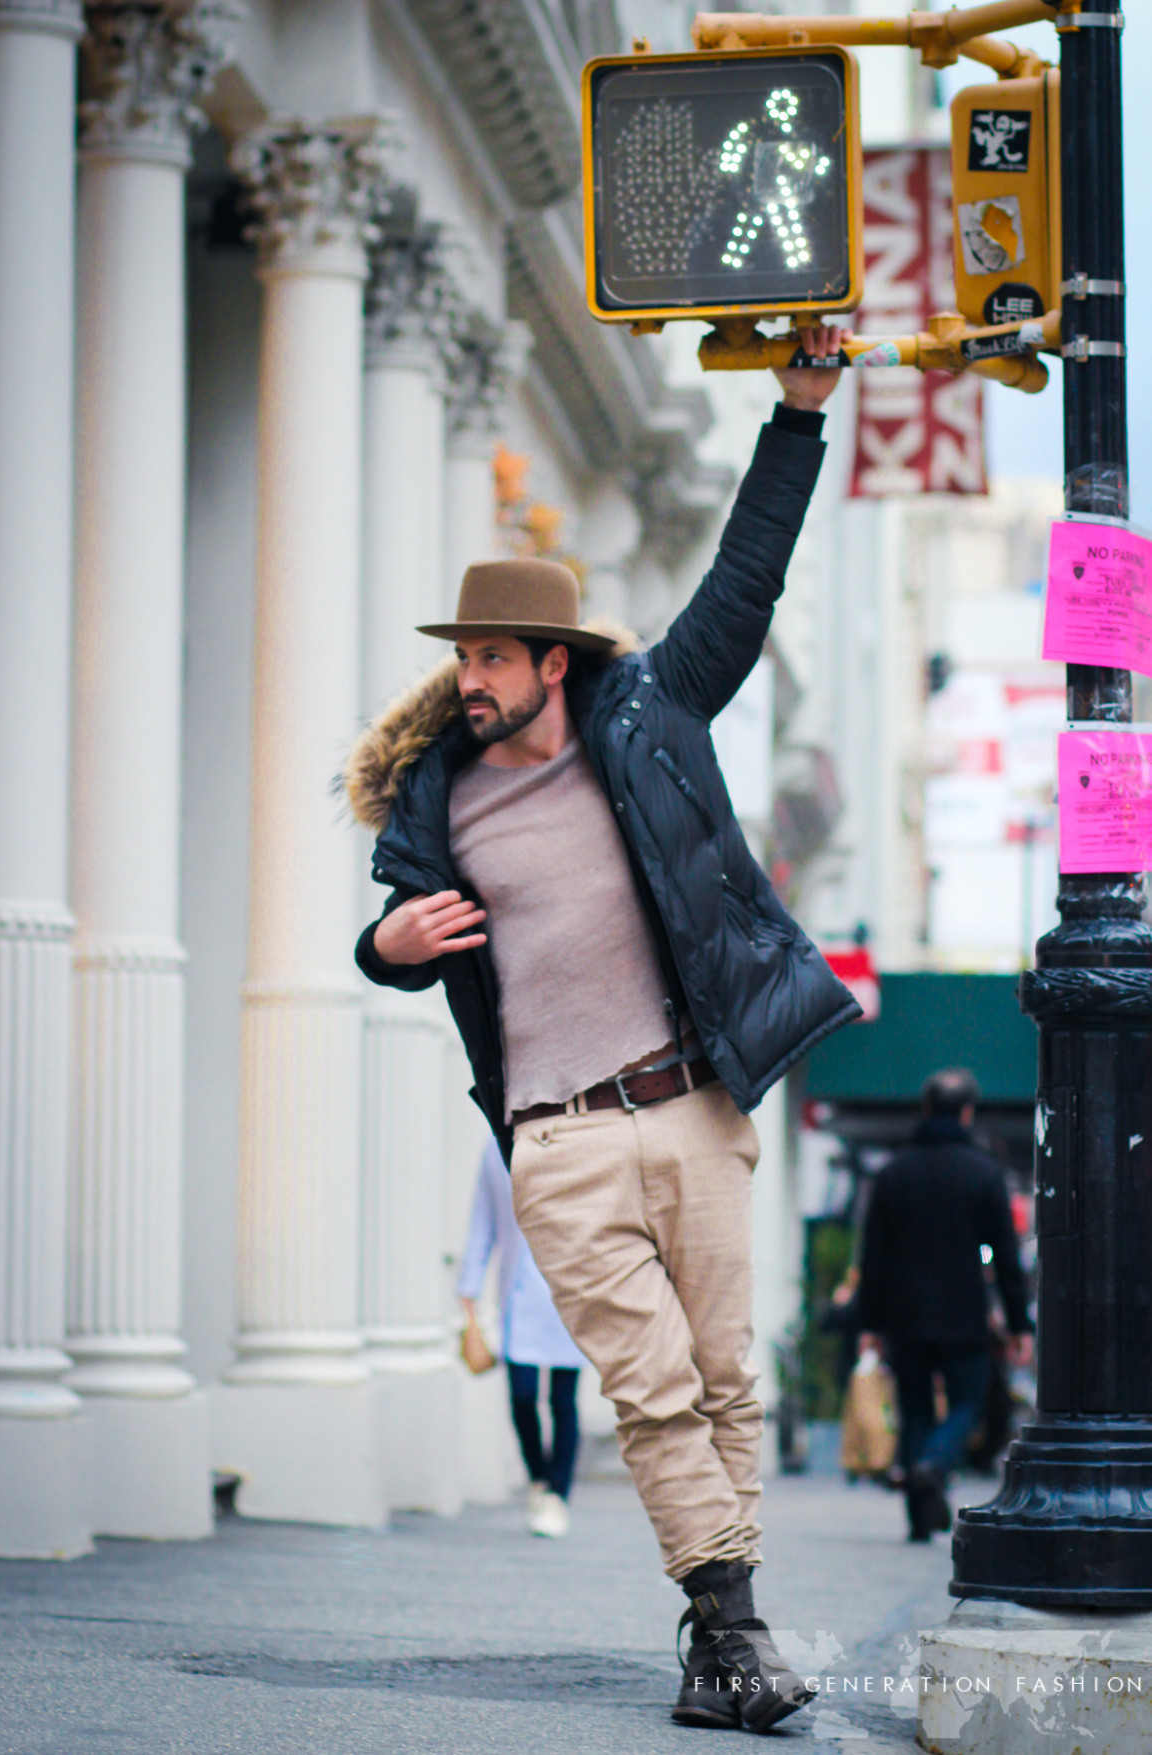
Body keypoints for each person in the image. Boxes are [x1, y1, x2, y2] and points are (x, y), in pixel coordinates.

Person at [346, 325, 858, 1735]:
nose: (470, 680)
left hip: (690, 1101)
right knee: (646, 1389)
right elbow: (396, 939)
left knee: (724, 1372)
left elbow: (741, 582)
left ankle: (718, 1635)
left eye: (494, 658)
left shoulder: (650, 714)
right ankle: (733, 1626)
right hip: (557, 1139)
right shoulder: (435, 805)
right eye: (463, 658)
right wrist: (380, 947)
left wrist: (796, 414)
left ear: (554, 664)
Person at [856, 1068, 1034, 1543]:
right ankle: (934, 1463)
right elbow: (1006, 1255)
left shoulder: (894, 1173)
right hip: (963, 1312)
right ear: (968, 1112)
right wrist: (1020, 1323)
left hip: (904, 1313)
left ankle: (917, 1518)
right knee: (969, 1402)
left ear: (926, 1108)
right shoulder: (984, 1172)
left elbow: (873, 1255)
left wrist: (869, 1320)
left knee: (915, 1408)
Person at [457, 1136, 587, 1538]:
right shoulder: (496, 1148)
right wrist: (469, 1288)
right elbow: (485, 1222)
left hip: (571, 1290)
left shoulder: (580, 1142)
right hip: (518, 1292)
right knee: (522, 1395)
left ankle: (558, 1495)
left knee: (563, 1400)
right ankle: (539, 1479)